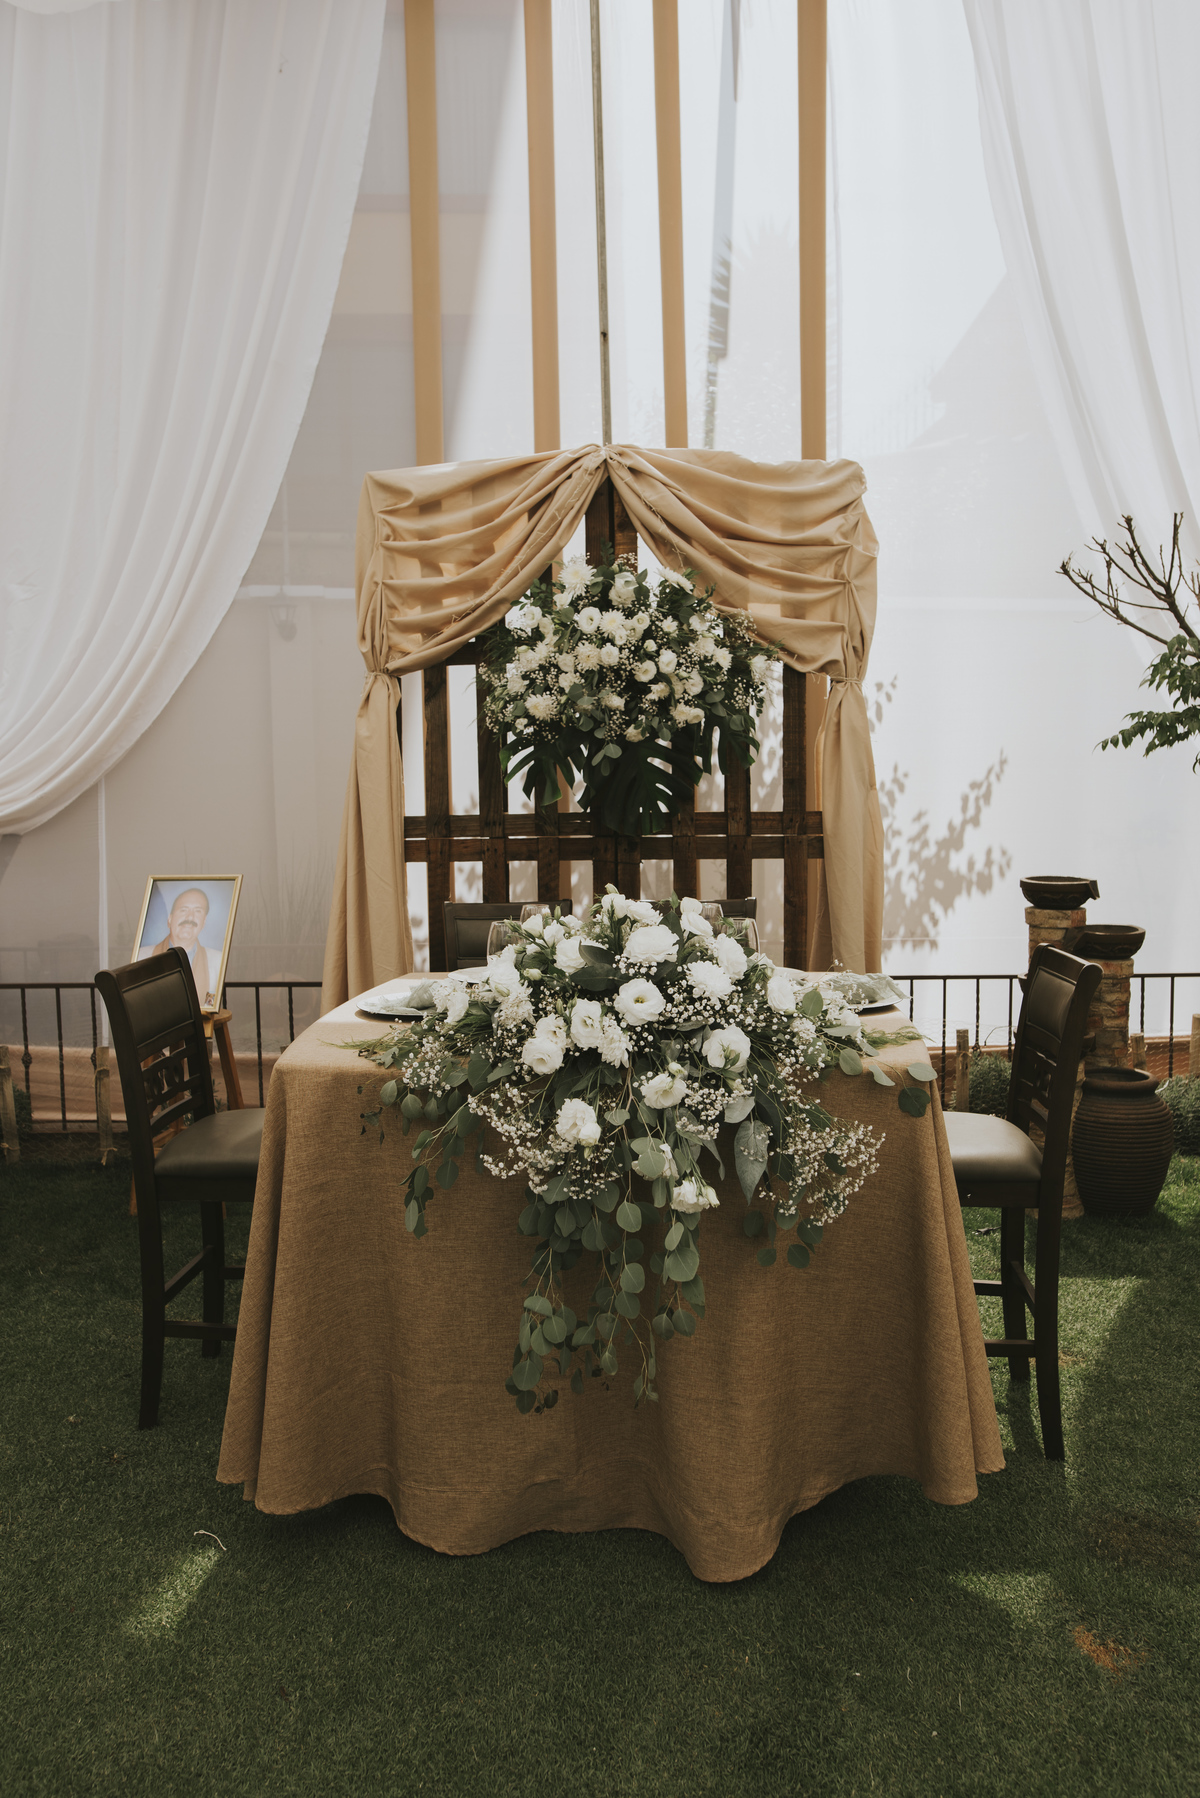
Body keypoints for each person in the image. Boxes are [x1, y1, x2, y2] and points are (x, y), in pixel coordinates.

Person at [140, 887, 219, 1006]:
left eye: (198, 911)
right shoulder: (141, 957)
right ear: (170, 919)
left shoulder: (217, 961)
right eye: (183, 910)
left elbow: (210, 1006)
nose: (190, 917)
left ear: (204, 922)